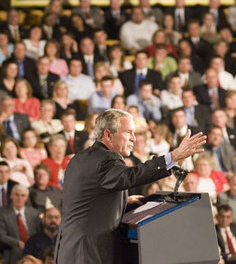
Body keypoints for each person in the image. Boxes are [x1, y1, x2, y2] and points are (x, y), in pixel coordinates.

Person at [54, 109, 206, 264]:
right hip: (89, 254)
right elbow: (131, 176)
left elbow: (85, 198)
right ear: (108, 134)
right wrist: (173, 157)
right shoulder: (107, 159)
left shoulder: (80, 158)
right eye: (128, 132)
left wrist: (121, 201)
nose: (133, 138)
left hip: (71, 250)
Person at [0, 184, 42, 264]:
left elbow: (39, 232)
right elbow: (1, 235)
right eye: (17, 195)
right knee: (15, 251)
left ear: (26, 198)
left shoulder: (34, 213)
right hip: (13, 248)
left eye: (23, 195)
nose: (19, 198)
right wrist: (18, 242)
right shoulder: (2, 213)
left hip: (33, 246)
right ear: (11, 196)